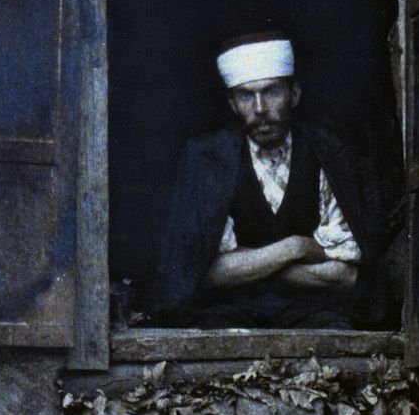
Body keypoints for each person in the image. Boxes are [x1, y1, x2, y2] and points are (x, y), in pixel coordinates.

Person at [150, 30, 399, 329]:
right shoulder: (209, 158)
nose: (259, 109)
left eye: (271, 92)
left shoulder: (327, 152)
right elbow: (204, 273)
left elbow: (346, 276)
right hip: (231, 311)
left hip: (309, 309)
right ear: (231, 103)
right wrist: (295, 248)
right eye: (246, 95)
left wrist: (247, 264)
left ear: (294, 95)